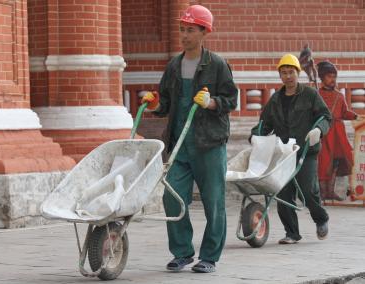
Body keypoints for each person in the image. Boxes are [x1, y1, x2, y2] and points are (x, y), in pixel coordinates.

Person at [141, 4, 238, 273]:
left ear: (204, 32)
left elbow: (232, 99)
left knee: (213, 202)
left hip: (209, 144)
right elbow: (167, 102)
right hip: (179, 145)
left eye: (190, 30)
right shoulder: (174, 65)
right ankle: (182, 252)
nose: (184, 35)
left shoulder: (217, 64)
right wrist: (153, 104)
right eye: (182, 30)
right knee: (173, 197)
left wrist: (212, 102)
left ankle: (209, 257)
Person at [251, 54, 332, 244]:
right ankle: (292, 233)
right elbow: (264, 123)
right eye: (284, 73)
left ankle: (321, 219)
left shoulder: (310, 95)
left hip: (306, 150)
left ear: (298, 73)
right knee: (283, 192)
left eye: (291, 72)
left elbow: (325, 117)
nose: (288, 76)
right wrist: (255, 136)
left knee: (308, 190)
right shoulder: (276, 99)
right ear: (280, 75)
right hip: (284, 153)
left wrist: (318, 130)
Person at [316, 61, 362, 201]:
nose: (332, 80)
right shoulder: (316, 95)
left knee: (337, 161)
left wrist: (356, 116)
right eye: (329, 76)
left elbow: (344, 112)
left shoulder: (339, 96)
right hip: (324, 133)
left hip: (338, 134)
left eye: (334, 76)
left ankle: (330, 191)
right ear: (322, 78)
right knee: (324, 162)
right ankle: (322, 193)